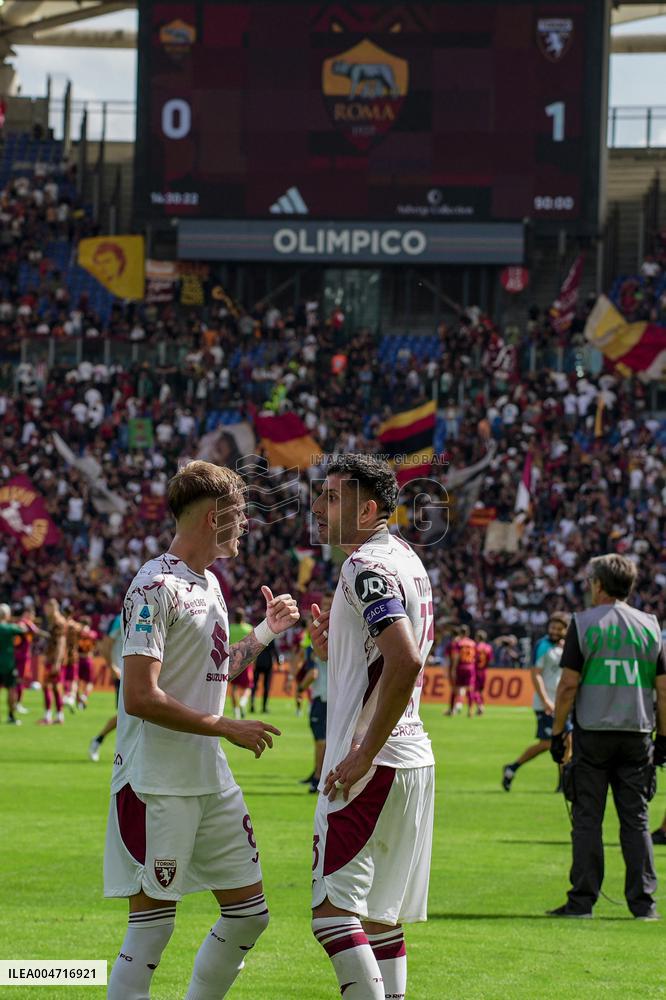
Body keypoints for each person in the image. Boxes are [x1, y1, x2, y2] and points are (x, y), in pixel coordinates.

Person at [104, 460, 298, 999]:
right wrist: (223, 725)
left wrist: (263, 633)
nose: (245, 526)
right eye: (239, 515)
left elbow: (214, 667)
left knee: (249, 917)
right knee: (152, 930)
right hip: (157, 783)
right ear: (214, 516)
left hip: (209, 780)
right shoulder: (153, 584)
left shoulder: (210, 583)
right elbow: (140, 695)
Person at [310, 455, 435, 1000]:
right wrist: (332, 649)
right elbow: (385, 659)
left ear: (366, 509)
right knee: (381, 918)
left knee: (331, 914)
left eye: (331, 498)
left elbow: (404, 661)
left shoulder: (363, 566)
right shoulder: (406, 558)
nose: (316, 506)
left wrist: (362, 752)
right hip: (412, 758)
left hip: (373, 763)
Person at [547, 554, 666, 920]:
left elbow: (568, 686)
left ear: (598, 585)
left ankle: (582, 901)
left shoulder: (582, 624)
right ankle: (643, 903)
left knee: (587, 819)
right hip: (637, 733)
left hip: (593, 734)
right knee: (637, 821)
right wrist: (664, 737)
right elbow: (663, 688)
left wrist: (556, 734)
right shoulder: (650, 625)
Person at [502, 614, 570, 791]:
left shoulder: (566, 646)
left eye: (558, 628)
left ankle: (563, 784)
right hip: (545, 704)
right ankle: (512, 767)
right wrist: (546, 700)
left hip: (563, 702)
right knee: (548, 744)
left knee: (568, 742)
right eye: (552, 627)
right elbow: (536, 674)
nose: (554, 631)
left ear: (565, 630)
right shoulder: (543, 645)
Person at [299, 599, 331, 794]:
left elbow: (313, 674)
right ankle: (317, 774)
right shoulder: (335, 639)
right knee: (322, 739)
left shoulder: (317, 644)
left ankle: (319, 778)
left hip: (323, 696)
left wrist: (300, 689)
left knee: (321, 740)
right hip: (331, 696)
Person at [89, 611, 122, 761]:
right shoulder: (119, 619)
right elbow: (105, 645)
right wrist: (112, 666)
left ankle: (98, 740)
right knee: (125, 716)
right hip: (123, 674)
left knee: (130, 717)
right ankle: (98, 739)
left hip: (140, 674)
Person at [40, 598, 67, 725]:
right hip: (53, 658)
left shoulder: (58, 622)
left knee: (48, 686)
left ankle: (48, 716)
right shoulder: (54, 621)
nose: (45, 611)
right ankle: (59, 716)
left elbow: (61, 643)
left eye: (47, 608)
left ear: (52, 607)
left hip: (54, 659)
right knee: (55, 687)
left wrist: (56, 662)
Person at [0, 604, 27, 724]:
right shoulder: (10, 628)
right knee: (11, 689)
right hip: (8, 663)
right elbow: (24, 630)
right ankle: (11, 716)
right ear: (7, 614)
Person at [228, 608, 254, 719]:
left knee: (233, 688)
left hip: (232, 661)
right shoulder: (248, 628)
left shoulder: (230, 628)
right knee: (248, 686)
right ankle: (243, 702)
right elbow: (253, 646)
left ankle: (236, 712)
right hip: (245, 660)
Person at [449, 624, 476, 717]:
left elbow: (456, 657)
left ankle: (452, 710)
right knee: (470, 689)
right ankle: (470, 711)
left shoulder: (458, 643)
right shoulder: (473, 643)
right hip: (470, 667)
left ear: (460, 632)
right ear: (468, 633)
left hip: (461, 667)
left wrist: (453, 669)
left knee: (455, 689)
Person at [250, 638, 278, 714]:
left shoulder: (259, 636)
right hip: (268, 663)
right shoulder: (271, 637)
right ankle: (264, 707)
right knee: (266, 686)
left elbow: (253, 649)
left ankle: (252, 705)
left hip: (258, 662)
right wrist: (278, 661)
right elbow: (274, 649)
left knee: (254, 685)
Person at [473, 629, 493, 715]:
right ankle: (480, 707)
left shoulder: (475, 647)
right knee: (480, 691)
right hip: (484, 671)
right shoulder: (488, 647)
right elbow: (490, 660)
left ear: (478, 637)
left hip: (475, 671)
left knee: (473, 690)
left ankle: (480, 705)